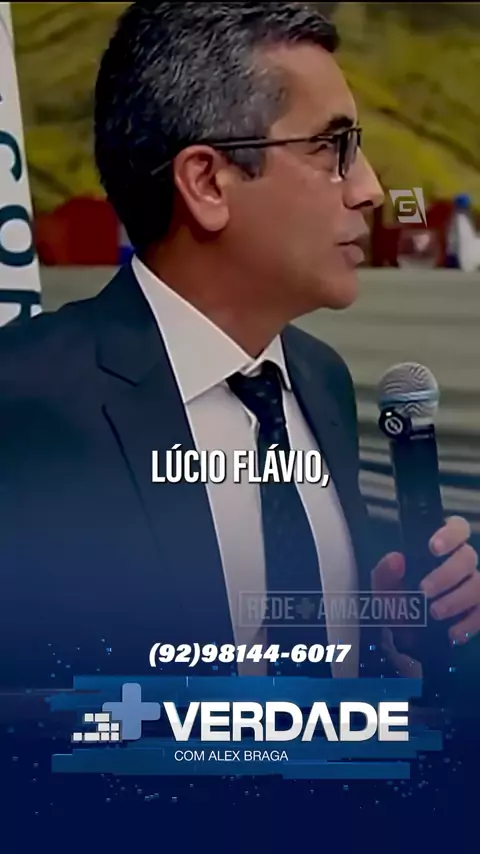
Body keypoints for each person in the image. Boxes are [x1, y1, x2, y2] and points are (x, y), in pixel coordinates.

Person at [0, 1, 479, 688]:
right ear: (206, 182)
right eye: (332, 147)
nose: (372, 189)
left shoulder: (320, 379)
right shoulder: (27, 397)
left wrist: (390, 639)